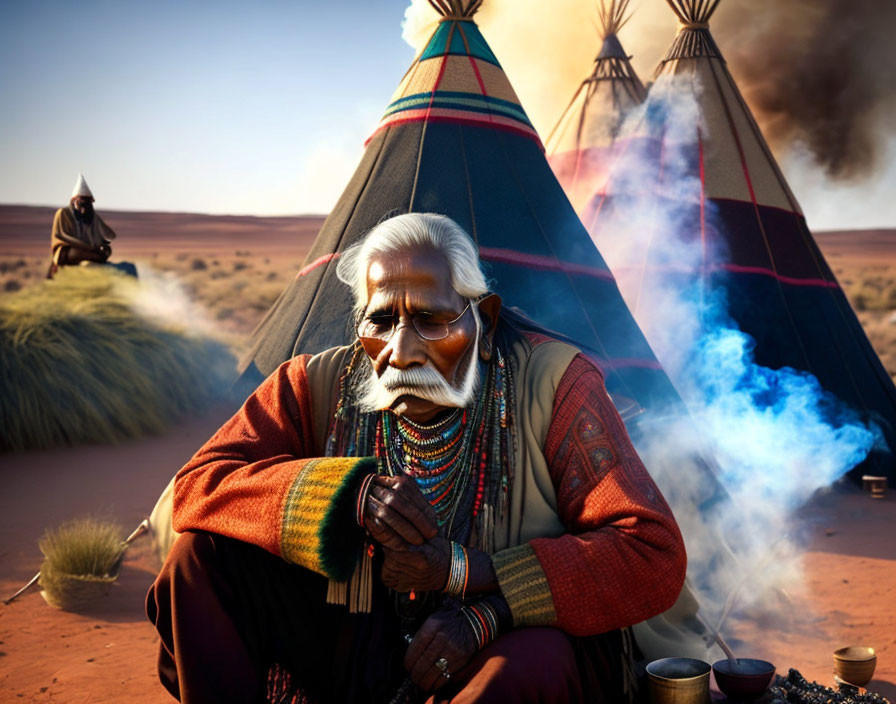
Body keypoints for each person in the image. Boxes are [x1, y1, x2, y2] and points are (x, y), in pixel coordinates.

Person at [146, 213, 687, 704]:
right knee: (197, 560)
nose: (401, 352)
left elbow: (649, 552)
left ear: (486, 322)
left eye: (431, 319)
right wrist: (345, 495)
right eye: (381, 321)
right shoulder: (315, 384)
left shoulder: (554, 385)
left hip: (502, 637)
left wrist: (482, 595)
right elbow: (197, 486)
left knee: (528, 668)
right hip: (353, 636)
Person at [48, 174, 116, 278]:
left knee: (107, 251)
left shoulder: (92, 216)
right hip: (69, 250)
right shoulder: (62, 213)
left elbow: (110, 235)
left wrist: (102, 243)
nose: (84, 210)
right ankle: (95, 258)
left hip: (90, 248)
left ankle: (96, 258)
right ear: (74, 201)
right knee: (76, 253)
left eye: (87, 205)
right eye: (81, 204)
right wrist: (84, 245)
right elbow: (59, 235)